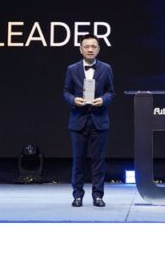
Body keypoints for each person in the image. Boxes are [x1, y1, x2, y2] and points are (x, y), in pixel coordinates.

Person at [62, 33, 115, 207]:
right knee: (78, 161)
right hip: (78, 120)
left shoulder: (106, 68)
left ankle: (98, 196)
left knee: (99, 161)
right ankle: (77, 195)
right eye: (87, 46)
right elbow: (66, 92)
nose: (90, 49)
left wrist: (103, 100)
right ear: (81, 49)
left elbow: (111, 92)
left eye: (93, 46)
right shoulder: (72, 69)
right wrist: (73, 100)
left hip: (99, 121)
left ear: (98, 49)